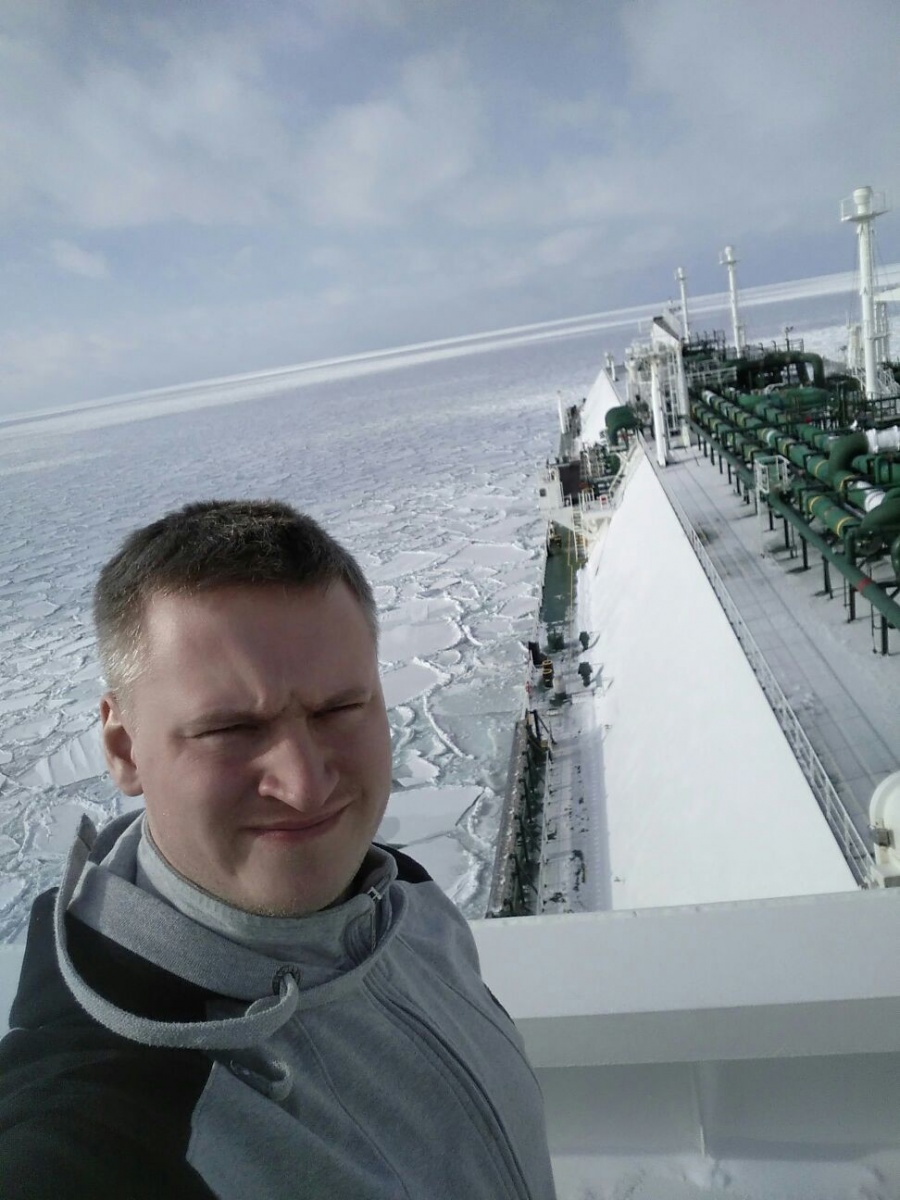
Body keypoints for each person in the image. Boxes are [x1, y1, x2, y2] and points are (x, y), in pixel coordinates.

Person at [0, 499, 556, 1199]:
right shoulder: (107, 1119)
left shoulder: (399, 896)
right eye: (230, 729)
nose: (304, 785)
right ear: (123, 748)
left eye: (338, 709)